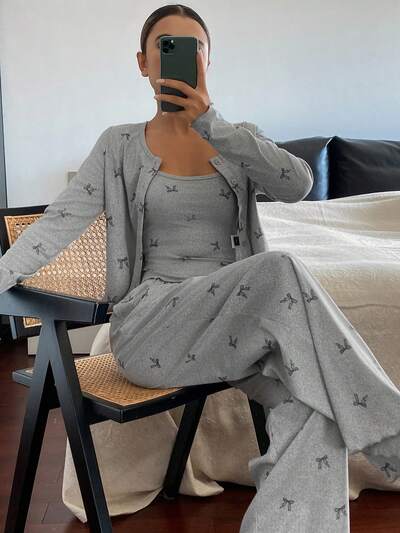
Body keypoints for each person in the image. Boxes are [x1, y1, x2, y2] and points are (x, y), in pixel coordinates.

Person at [2, 5, 400, 532]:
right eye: (165, 47)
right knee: (279, 269)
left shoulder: (237, 138)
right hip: (153, 328)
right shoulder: (119, 145)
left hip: (232, 332)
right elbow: (58, 223)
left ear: (208, 62)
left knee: (311, 407)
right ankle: (392, 430)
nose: (179, 59)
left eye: (193, 49)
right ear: (143, 63)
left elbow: (299, 186)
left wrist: (213, 123)